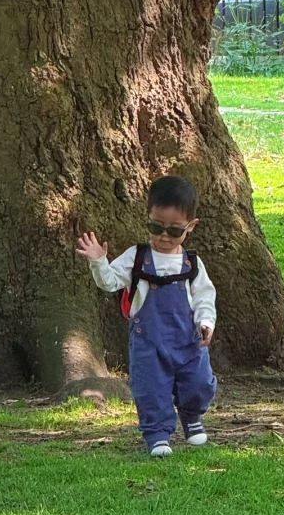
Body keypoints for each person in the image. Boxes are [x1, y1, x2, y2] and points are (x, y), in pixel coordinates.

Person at [76, 175, 217, 457]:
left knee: (199, 383)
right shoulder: (137, 257)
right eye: (156, 227)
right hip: (148, 342)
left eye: (174, 231)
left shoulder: (192, 262)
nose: (164, 236)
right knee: (152, 389)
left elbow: (204, 295)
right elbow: (110, 282)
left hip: (188, 341)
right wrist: (98, 261)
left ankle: (192, 417)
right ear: (148, 219)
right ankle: (157, 434)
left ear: (191, 226)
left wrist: (206, 321)